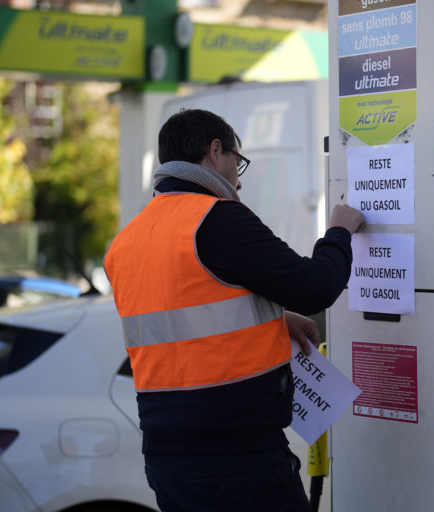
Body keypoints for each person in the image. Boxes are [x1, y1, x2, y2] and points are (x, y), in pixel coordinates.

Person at [104, 108, 365, 512]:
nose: (238, 179)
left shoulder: (126, 242)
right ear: (214, 150)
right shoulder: (216, 219)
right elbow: (315, 287)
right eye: (236, 162)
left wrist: (277, 319)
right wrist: (339, 232)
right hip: (238, 458)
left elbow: (189, 317)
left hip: (167, 461)